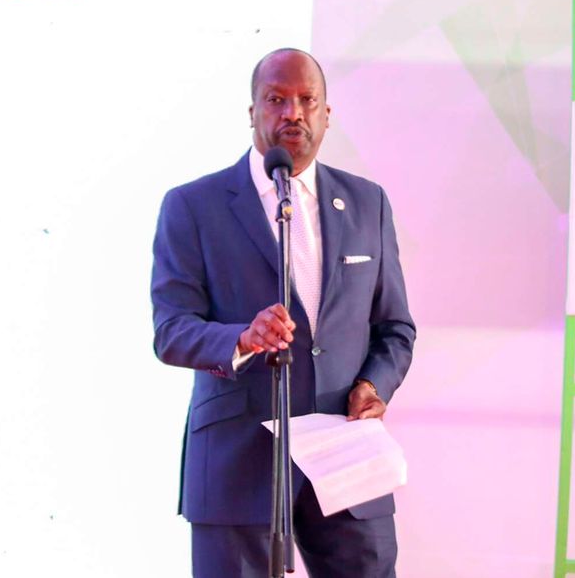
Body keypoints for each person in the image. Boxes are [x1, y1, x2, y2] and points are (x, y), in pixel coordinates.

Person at [150, 48, 416, 578]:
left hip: (345, 456)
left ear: (326, 114)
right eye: (276, 99)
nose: (292, 113)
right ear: (252, 111)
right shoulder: (193, 206)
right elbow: (171, 329)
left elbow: (395, 328)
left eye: (306, 100)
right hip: (238, 458)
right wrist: (241, 339)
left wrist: (374, 384)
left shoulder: (368, 203)